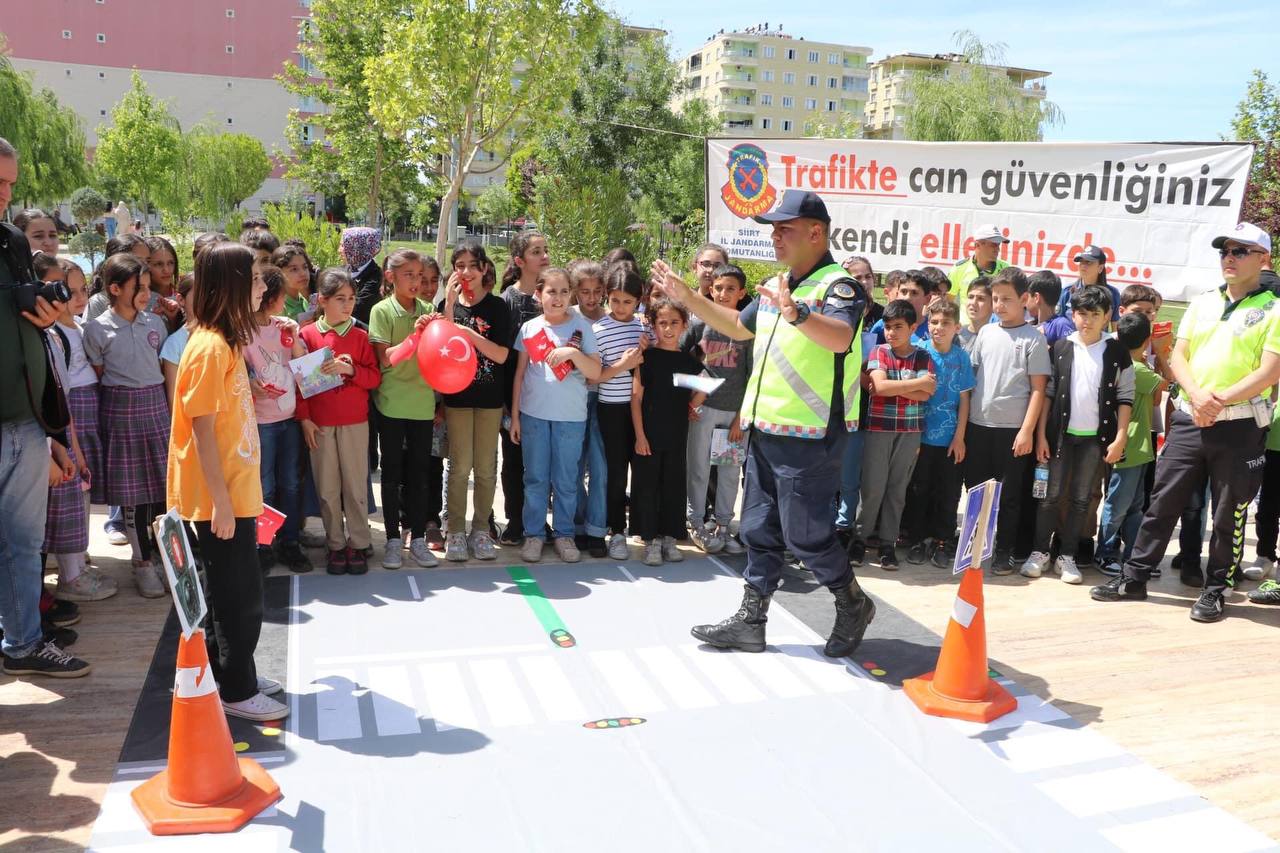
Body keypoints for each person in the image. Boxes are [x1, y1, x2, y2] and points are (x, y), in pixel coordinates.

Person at [652, 189, 875, 658]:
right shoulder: (779, 284)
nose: (775, 237)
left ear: (816, 233)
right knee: (757, 528)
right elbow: (737, 327)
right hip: (767, 429)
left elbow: (838, 338)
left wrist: (797, 311)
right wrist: (688, 297)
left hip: (812, 435)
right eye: (772, 230)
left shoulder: (839, 287)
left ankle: (851, 601)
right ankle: (752, 621)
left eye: (784, 229)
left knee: (805, 536)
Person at [1093, 223, 1280, 622]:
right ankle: (1134, 577)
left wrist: (1220, 399)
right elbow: (1179, 355)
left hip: (1240, 425)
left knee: (1229, 512)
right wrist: (1197, 396)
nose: (1229, 258)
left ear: (1263, 259)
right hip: (1190, 417)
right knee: (1163, 500)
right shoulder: (1202, 302)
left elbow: (1270, 371)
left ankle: (1216, 590)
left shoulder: (1275, 309)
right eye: (1224, 251)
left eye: (1240, 251)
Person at [168, 241, 288, 721]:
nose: (263, 287)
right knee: (238, 596)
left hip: (235, 490)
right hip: (219, 498)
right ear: (234, 285)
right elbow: (199, 430)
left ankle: (235, 673)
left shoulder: (228, 342)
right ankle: (237, 689)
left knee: (233, 588)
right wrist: (219, 501)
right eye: (256, 279)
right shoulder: (209, 347)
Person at [0, 138, 92, 677]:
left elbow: (33, 338)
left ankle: (23, 643)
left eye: (10, 183)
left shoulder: (11, 241)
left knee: (23, 543)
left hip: (27, 422)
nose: (5, 194)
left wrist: (52, 434)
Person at [1024, 286, 1134, 584]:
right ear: (1073, 315)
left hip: (1094, 440)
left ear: (1107, 316)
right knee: (1049, 495)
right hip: (1059, 436)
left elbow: (1126, 397)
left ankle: (1067, 556)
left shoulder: (1116, 351)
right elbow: (1047, 393)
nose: (1087, 320)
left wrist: (1120, 436)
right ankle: (1039, 551)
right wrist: (1041, 436)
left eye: (1095, 314)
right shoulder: (1061, 347)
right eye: (1082, 314)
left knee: (1081, 499)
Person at [83, 254, 171, 597]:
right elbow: (99, 373)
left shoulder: (155, 324)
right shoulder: (96, 329)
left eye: (148, 287)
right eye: (138, 288)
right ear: (115, 288)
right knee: (132, 493)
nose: (145, 294)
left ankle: (164, 556)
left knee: (160, 491)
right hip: (121, 411)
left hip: (156, 409)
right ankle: (142, 562)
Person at [511, 268, 602, 563]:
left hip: (571, 418)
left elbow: (595, 373)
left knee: (566, 479)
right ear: (539, 295)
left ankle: (564, 534)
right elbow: (520, 374)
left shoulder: (582, 327)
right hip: (533, 415)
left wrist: (573, 355)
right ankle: (534, 534)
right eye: (552, 291)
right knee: (535, 478)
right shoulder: (529, 328)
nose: (558, 298)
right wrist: (514, 416)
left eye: (564, 292)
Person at [964, 266, 1051, 573]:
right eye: (996, 299)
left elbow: (1039, 389)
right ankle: (975, 546)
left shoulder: (1033, 339)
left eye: (1007, 299)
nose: (999, 305)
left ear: (1025, 299)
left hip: (1013, 431)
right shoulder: (986, 332)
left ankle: (1004, 551)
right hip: (978, 426)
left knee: (1010, 496)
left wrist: (1027, 431)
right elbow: (971, 378)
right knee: (976, 490)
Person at [296, 268, 382, 575]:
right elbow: (300, 386)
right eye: (340, 299)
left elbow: (374, 378)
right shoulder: (306, 335)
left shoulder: (360, 336)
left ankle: (358, 543)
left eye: (352, 298)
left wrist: (351, 371)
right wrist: (304, 419)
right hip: (319, 425)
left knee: (355, 484)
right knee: (327, 487)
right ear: (322, 300)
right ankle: (335, 544)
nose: (348, 305)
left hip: (355, 423)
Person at [368, 249, 440, 569]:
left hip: (423, 405)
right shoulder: (382, 311)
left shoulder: (428, 309)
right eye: (408, 275)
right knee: (392, 472)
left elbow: (439, 354)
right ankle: (393, 540)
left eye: (420, 275)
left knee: (419, 474)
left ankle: (419, 540)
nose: (416, 281)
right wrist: (416, 336)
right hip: (392, 404)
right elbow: (387, 358)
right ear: (391, 277)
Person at [851, 300, 935, 570]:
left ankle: (888, 544)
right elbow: (880, 386)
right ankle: (860, 539)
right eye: (887, 327)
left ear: (913, 327)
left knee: (897, 489)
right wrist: (916, 384)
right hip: (879, 429)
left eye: (898, 327)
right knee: (872, 488)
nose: (891, 332)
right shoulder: (879, 351)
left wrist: (889, 387)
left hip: (910, 432)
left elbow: (927, 392)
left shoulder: (922, 356)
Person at [441, 239, 511, 562]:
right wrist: (449, 304)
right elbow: (439, 344)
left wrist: (469, 334)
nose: (466, 272)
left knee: (485, 468)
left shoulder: (498, 308)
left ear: (484, 269)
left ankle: (481, 528)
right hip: (456, 399)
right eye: (459, 266)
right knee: (458, 467)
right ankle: (454, 529)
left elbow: (499, 354)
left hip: (489, 399)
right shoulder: (450, 305)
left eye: (472, 265)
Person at [244, 264, 312, 574]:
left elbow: (302, 362)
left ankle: (290, 542)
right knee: (265, 485)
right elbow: (240, 370)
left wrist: (294, 335)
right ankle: (262, 545)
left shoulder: (284, 326)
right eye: (282, 295)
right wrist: (251, 383)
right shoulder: (242, 331)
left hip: (290, 417)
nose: (286, 302)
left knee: (291, 483)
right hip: (261, 421)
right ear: (270, 297)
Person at [630, 297, 706, 566]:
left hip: (676, 433)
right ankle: (650, 540)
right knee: (648, 485)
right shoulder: (646, 358)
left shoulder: (689, 362)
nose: (668, 328)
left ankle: (670, 538)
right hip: (648, 435)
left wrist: (692, 405)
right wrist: (639, 435)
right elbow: (636, 399)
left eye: (674, 322)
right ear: (653, 325)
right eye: (662, 323)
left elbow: (703, 389)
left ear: (684, 325)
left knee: (673, 485)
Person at [683, 264, 752, 555]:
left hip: (733, 414)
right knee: (698, 468)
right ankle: (696, 521)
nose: (723, 294)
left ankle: (723, 525)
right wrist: (693, 396)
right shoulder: (699, 324)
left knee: (728, 471)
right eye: (719, 288)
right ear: (711, 290)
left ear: (742, 293)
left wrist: (740, 418)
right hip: (703, 410)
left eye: (731, 289)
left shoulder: (747, 329)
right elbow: (681, 363)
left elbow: (753, 376)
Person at [904, 299, 974, 568]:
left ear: (957, 327)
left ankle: (943, 541)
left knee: (948, 491)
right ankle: (917, 539)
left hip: (949, 441)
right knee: (919, 489)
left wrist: (960, 436)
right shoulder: (918, 351)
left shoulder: (961, 357)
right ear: (926, 324)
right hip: (919, 437)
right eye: (934, 322)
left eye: (945, 323)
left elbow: (965, 399)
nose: (939, 328)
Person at [1097, 312, 1165, 577]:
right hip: (1131, 447)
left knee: (1133, 506)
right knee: (1118, 505)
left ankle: (1134, 556)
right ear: (1147, 340)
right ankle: (1105, 553)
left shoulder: (1124, 364)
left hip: (1138, 449)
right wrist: (1161, 355)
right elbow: (1165, 390)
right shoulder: (1137, 370)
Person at [498, 231, 549, 546]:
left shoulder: (555, 295)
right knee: (515, 462)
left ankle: (538, 522)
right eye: (536, 252)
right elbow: (504, 355)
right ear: (519, 261)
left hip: (547, 394)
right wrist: (506, 404)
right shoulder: (508, 300)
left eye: (545, 250)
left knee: (542, 465)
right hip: (515, 396)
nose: (544, 256)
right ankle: (516, 521)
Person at [593, 265, 645, 561]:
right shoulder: (598, 330)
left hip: (642, 410)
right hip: (610, 409)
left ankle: (642, 527)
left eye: (627, 301)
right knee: (615, 473)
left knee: (641, 469)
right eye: (615, 301)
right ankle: (616, 530)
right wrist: (621, 366)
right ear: (607, 298)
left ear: (638, 300)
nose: (621, 307)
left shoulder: (644, 327)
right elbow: (593, 377)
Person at [570, 261, 609, 557]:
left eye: (597, 291)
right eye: (585, 291)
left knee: (599, 468)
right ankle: (578, 523)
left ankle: (597, 529)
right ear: (575, 292)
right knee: (571, 468)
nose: (591, 297)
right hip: (571, 402)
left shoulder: (612, 320)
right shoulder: (567, 319)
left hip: (603, 401)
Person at [1056, 245, 1123, 326]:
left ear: (1100, 268)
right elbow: (1058, 323)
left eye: (1089, 262)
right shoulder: (1067, 291)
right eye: (1081, 261)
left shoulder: (1112, 294)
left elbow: (1115, 327)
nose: (1083, 265)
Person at [949, 223, 1010, 306]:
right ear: (977, 245)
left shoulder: (1006, 269)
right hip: (964, 319)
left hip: (996, 319)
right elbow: (947, 303)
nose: (998, 249)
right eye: (993, 244)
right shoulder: (958, 268)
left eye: (998, 245)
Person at [868, 270, 929, 345]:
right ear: (897, 295)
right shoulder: (882, 325)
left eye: (914, 293)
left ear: (927, 299)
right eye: (903, 292)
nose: (907, 298)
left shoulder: (933, 327)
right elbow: (868, 354)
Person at [340, 227, 383, 326]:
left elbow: (358, 308)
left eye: (343, 246)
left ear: (357, 248)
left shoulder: (375, 276)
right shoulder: (343, 270)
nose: (339, 250)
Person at [273, 243, 317, 324]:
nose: (303, 273)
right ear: (279, 272)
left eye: (305, 267)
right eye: (294, 269)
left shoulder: (302, 300)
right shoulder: (278, 306)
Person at [1028, 270, 1074, 345]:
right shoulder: (1029, 325)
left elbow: (1069, 352)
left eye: (1027, 297)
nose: (1024, 303)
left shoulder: (1061, 324)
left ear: (1036, 297)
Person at [842, 255, 882, 327]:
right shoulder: (837, 312)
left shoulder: (882, 314)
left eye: (868, 277)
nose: (864, 282)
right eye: (858, 278)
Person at [958, 276, 992, 353]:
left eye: (981, 298)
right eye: (970, 297)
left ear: (993, 304)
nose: (973, 303)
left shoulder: (997, 338)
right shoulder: (954, 335)